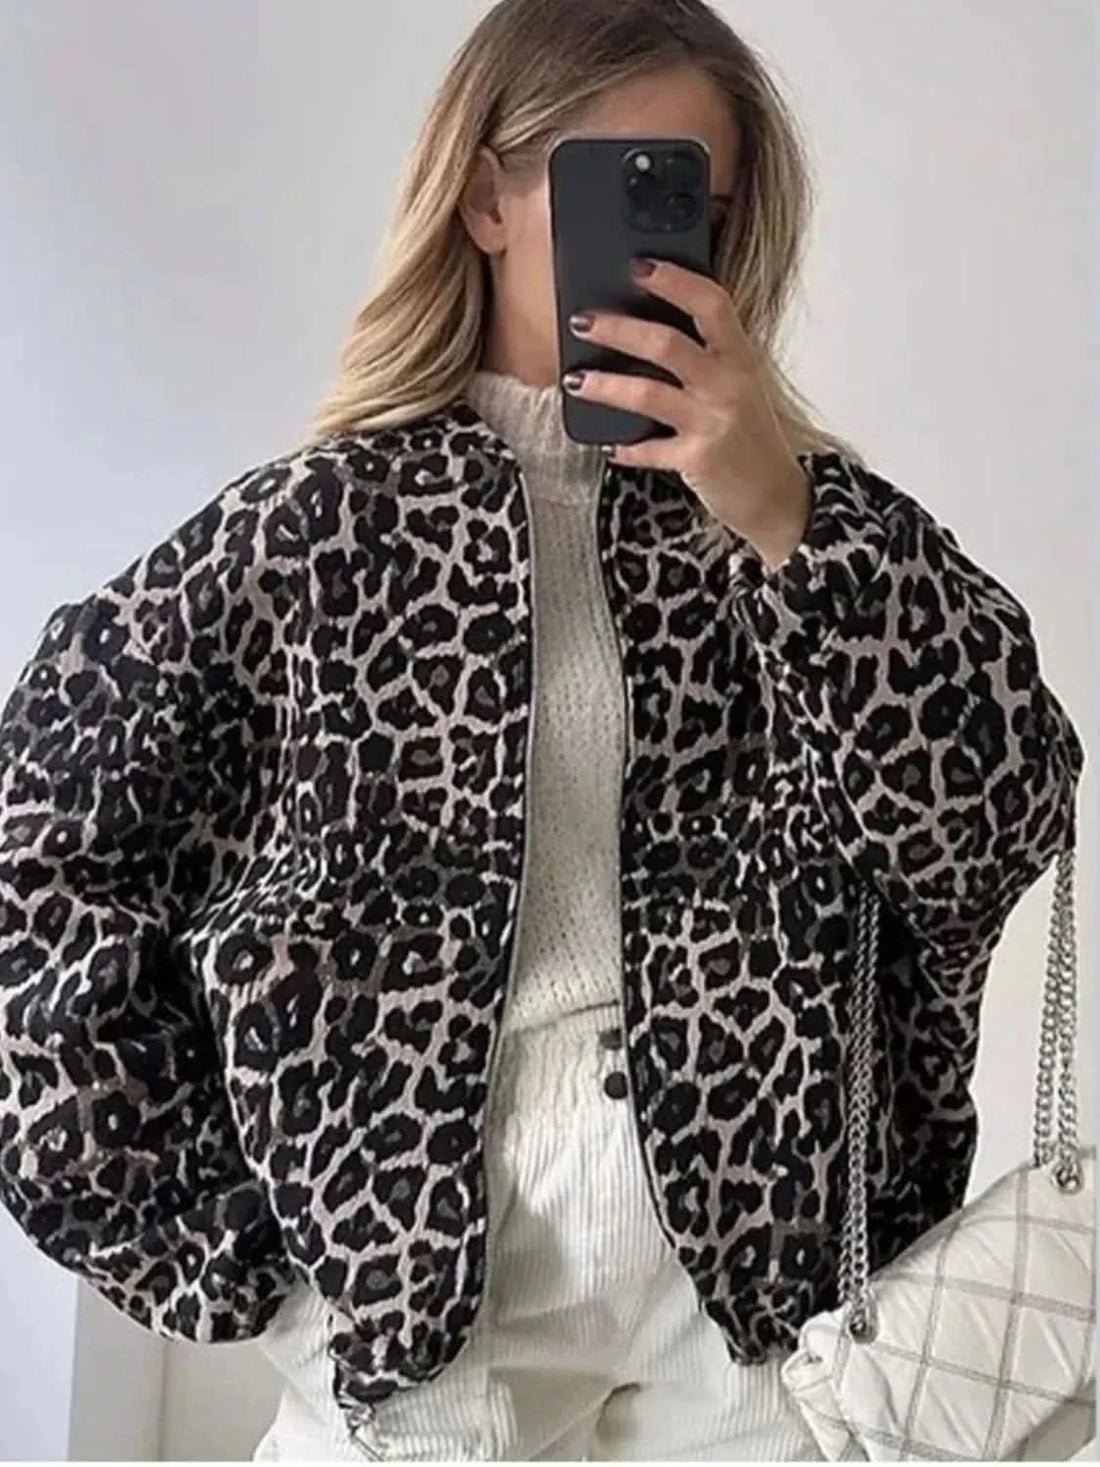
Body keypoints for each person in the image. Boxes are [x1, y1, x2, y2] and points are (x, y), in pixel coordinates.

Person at [0, 0, 1084, 1461]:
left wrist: (792, 523)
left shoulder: (804, 524)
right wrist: (255, 1267)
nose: (657, 249)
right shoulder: (312, 539)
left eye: (693, 204)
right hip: (432, 1310)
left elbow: (997, 827)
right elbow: (35, 862)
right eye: (617, 185)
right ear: (486, 196)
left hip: (755, 1313)